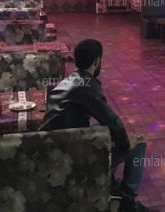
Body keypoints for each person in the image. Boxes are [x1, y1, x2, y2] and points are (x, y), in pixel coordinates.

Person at [40, 39, 155, 212]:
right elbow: (113, 122)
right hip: (70, 155)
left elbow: (108, 121)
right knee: (139, 143)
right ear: (96, 61)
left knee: (104, 127)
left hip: (52, 145)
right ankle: (128, 201)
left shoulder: (71, 80)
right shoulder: (88, 87)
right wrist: (126, 143)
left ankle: (109, 181)